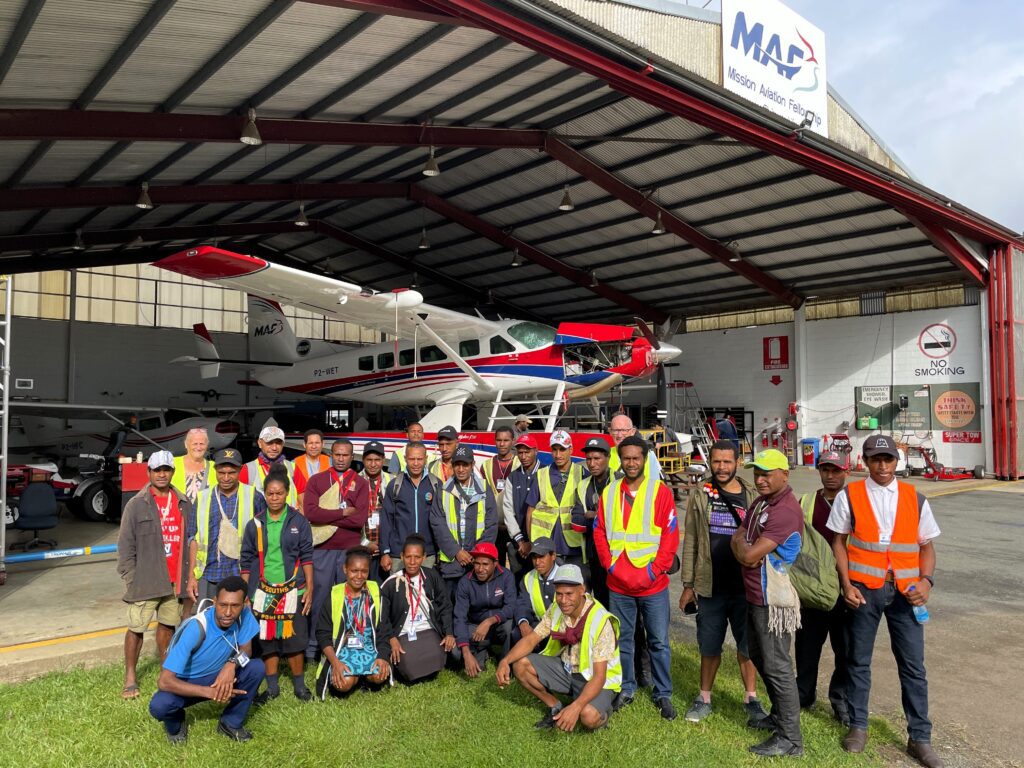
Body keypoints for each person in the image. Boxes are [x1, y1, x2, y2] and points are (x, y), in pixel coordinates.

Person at [827, 434, 942, 768]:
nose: (882, 465)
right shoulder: (850, 495)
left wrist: (927, 581)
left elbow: (926, 546)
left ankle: (919, 738)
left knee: (913, 666)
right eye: (876, 459)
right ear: (865, 461)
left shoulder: (915, 498)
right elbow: (839, 541)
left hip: (907, 594)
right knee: (858, 660)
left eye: (888, 459)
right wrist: (846, 584)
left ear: (897, 461)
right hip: (865, 591)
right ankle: (858, 726)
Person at [679, 439, 768, 725]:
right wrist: (688, 585)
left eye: (727, 461)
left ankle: (751, 698)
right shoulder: (701, 494)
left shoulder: (752, 493)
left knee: (747, 646)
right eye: (716, 461)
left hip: (745, 587)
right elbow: (691, 539)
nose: (721, 467)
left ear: (737, 462)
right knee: (709, 645)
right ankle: (704, 697)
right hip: (710, 586)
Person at [593, 435, 679, 720]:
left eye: (636, 458)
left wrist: (655, 570)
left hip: (652, 583)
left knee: (658, 641)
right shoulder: (610, 492)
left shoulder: (660, 492)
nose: (631, 463)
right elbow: (600, 532)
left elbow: (670, 537)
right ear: (620, 459)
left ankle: (663, 693)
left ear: (644, 459)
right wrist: (611, 566)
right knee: (624, 640)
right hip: (618, 583)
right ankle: (627, 688)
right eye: (626, 458)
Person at [730, 449, 804, 758]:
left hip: (771, 601)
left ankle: (791, 739)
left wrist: (744, 548)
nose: (760, 479)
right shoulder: (761, 502)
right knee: (760, 657)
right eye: (756, 473)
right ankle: (778, 716)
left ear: (784, 475)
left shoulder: (785, 510)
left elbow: (747, 553)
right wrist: (743, 545)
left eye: (767, 473)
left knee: (777, 666)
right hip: (754, 596)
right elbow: (739, 537)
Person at [497, 564, 621, 732]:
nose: (563, 600)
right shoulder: (557, 608)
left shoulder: (600, 621)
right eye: (559, 594)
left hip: (595, 679)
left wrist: (576, 707)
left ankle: (604, 712)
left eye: (569, 594)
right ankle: (555, 706)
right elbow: (531, 639)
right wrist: (505, 660)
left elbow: (599, 676)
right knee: (520, 665)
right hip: (566, 670)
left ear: (581, 590)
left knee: (588, 716)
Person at [148, 576, 264, 743]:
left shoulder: (244, 615)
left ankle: (230, 722)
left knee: (256, 668)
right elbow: (165, 682)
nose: (228, 612)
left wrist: (231, 665)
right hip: (187, 682)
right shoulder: (196, 627)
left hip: (216, 676)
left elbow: (247, 650)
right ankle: (176, 723)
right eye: (223, 605)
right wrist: (210, 692)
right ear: (215, 601)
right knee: (159, 706)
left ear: (244, 603)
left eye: (235, 605)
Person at [117, 450, 192, 700]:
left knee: (167, 626)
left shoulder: (183, 502)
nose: (162, 474)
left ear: (172, 472)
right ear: (149, 472)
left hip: (173, 580)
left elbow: (190, 541)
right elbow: (125, 544)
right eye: (157, 470)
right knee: (136, 627)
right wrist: (131, 577)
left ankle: (165, 672)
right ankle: (130, 676)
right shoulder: (137, 504)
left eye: (166, 470)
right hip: (145, 579)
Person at [240, 471, 314, 704]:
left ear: (287, 494)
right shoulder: (256, 523)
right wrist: (245, 592)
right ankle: (272, 688)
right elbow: (246, 558)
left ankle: (299, 686)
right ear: (265, 494)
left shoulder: (298, 521)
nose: (274, 498)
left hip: (294, 589)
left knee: (295, 639)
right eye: (270, 493)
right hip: (263, 591)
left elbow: (307, 557)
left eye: (279, 493)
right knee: (267, 640)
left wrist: (309, 588)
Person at [795, 450, 850, 725]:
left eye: (836, 470)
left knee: (846, 650)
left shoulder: (855, 501)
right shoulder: (805, 502)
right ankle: (803, 694)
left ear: (846, 472)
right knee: (806, 648)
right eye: (825, 470)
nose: (830, 476)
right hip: (813, 591)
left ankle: (840, 700)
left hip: (846, 590)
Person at [302, 438, 369, 661]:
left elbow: (359, 519)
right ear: (331, 455)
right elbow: (311, 513)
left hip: (349, 551)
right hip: (322, 549)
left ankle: (345, 644)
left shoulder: (360, 483)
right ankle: (313, 648)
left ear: (352, 457)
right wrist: (342, 513)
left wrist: (327, 516)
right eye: (337, 454)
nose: (341, 458)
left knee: (348, 598)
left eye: (345, 455)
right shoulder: (317, 480)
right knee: (319, 598)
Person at [187, 448, 265, 606]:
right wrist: (191, 577)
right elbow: (193, 538)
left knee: (241, 623)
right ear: (215, 470)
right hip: (209, 574)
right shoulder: (202, 498)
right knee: (209, 622)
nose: (226, 478)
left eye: (232, 472)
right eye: (222, 472)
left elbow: (264, 538)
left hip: (242, 574)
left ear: (240, 470)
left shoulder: (254, 496)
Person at [314, 546, 391, 696]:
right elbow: (322, 634)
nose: (359, 576)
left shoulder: (375, 593)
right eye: (354, 571)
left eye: (364, 571)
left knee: (378, 675)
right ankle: (355, 678)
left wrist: (382, 656)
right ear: (345, 569)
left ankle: (365, 678)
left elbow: (384, 629)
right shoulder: (335, 596)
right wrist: (335, 663)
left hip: (369, 647)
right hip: (343, 649)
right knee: (344, 684)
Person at [379, 534, 456, 682]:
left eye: (417, 557)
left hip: (427, 630)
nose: (412, 562)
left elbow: (445, 605)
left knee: (438, 657)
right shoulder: (391, 583)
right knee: (408, 666)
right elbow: (383, 617)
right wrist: (391, 638)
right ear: (401, 557)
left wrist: (449, 632)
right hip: (403, 633)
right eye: (408, 557)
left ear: (424, 557)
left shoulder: (432, 576)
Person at [431, 444, 498, 600]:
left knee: (476, 604)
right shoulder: (443, 490)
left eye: (465, 465)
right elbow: (437, 523)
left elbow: (491, 523)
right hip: (452, 562)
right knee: (451, 604)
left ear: (472, 465)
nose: (461, 469)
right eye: (457, 464)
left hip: (477, 562)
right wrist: (456, 552)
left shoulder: (484, 489)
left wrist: (477, 553)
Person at [451, 542, 516, 678]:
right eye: (477, 563)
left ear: (495, 563)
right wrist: (466, 652)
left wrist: (490, 621)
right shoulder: (465, 582)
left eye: (485, 564)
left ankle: (505, 661)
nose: (480, 569)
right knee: (456, 653)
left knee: (510, 627)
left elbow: (511, 607)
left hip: (498, 624)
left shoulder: (507, 576)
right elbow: (460, 617)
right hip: (475, 627)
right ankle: (482, 651)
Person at [570, 437, 621, 604]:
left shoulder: (621, 481)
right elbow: (577, 523)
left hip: (619, 553)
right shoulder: (583, 485)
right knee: (602, 601)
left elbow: (624, 518)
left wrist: (594, 514)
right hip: (594, 554)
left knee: (622, 603)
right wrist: (605, 516)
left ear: (608, 458)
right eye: (589, 459)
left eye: (597, 458)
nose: (592, 463)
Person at [380, 441, 442, 575]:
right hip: (399, 554)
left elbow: (442, 521)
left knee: (425, 593)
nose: (415, 463)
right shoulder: (395, 485)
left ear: (425, 459)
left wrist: (439, 551)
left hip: (427, 554)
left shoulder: (435, 484)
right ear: (405, 459)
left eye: (419, 459)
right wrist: (385, 551)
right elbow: (386, 519)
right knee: (399, 593)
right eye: (411, 459)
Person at [525, 430, 585, 566]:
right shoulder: (541, 475)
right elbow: (530, 512)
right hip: (546, 548)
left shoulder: (582, 474)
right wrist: (532, 543)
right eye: (554, 449)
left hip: (574, 547)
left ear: (571, 449)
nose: (558, 455)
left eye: (562, 449)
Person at [480, 426, 519, 566]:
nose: (502, 444)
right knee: (496, 566)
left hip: (514, 525)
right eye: (499, 440)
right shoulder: (486, 465)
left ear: (513, 441)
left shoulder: (519, 464)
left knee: (517, 566)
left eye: (506, 440)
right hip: (493, 527)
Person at [503, 433, 541, 577]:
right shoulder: (513, 477)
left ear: (536, 451)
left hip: (540, 543)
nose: (523, 456)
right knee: (519, 583)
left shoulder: (546, 473)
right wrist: (520, 541)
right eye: (520, 452)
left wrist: (533, 542)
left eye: (527, 452)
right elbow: (508, 510)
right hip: (518, 544)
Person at [513, 537, 561, 643]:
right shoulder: (528, 578)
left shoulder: (565, 575)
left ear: (553, 556)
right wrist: (523, 623)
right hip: (538, 624)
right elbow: (522, 604)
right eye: (534, 557)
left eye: (542, 557)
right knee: (517, 633)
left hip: (561, 627)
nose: (537, 562)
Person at [240, 426, 301, 507]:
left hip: (289, 518)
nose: (274, 448)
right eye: (269, 443)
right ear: (260, 443)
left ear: (283, 444)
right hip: (259, 519)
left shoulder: (293, 468)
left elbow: (303, 501)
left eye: (278, 443)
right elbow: (240, 500)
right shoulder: (247, 469)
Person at [360, 440, 392, 584]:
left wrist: (386, 546)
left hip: (387, 549)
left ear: (383, 460)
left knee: (385, 590)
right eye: (369, 460)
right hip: (363, 549)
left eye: (377, 460)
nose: (373, 464)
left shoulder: (392, 481)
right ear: (363, 460)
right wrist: (365, 543)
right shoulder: (354, 481)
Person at [607, 413, 662, 480]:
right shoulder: (605, 454)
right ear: (610, 432)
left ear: (632, 432)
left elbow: (656, 484)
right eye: (615, 430)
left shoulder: (648, 454)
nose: (619, 435)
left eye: (624, 430)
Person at [172, 428, 215, 504]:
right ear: (186, 444)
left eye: (202, 444)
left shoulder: (214, 467)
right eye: (195, 444)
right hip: (179, 514)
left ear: (207, 445)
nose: (198, 448)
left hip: (206, 515)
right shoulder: (172, 464)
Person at [293, 429, 329, 508]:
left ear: (323, 444)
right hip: (301, 510)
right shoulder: (294, 463)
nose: (314, 446)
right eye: (310, 443)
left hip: (325, 509)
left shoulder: (331, 462)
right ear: (304, 445)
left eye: (317, 443)